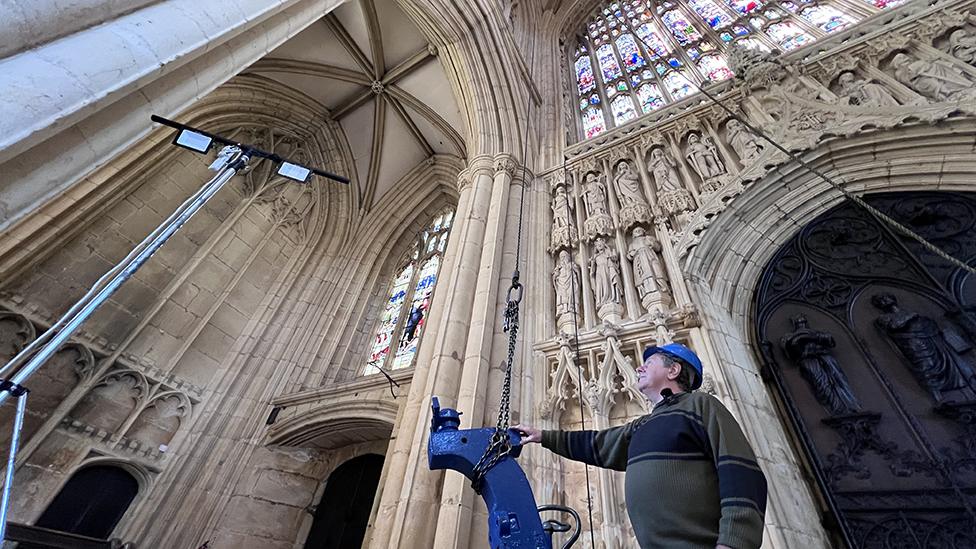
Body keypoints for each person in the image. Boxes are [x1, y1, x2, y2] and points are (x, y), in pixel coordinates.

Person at [514, 343, 767, 549]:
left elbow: (742, 474)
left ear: (673, 370)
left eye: (649, 362)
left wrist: (734, 543)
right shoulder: (642, 425)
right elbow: (597, 444)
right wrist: (542, 436)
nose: (638, 367)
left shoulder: (701, 406)